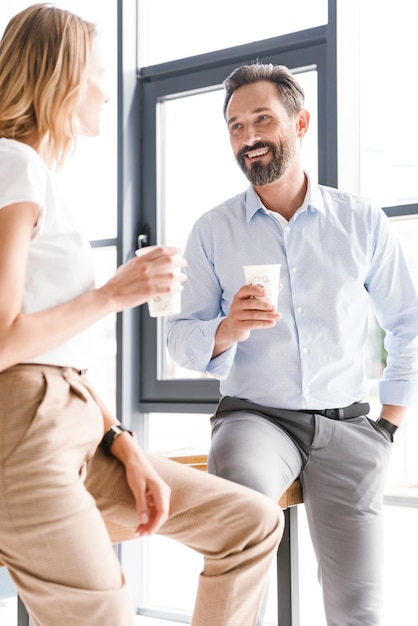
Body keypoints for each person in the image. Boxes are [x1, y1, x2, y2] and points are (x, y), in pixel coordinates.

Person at [0, 8, 284, 626]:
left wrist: (122, 443)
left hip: (75, 422)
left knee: (250, 524)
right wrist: (113, 293)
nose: (107, 88)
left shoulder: (37, 175)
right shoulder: (12, 163)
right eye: (99, 72)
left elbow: (59, 354)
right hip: (25, 434)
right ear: (63, 75)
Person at [167, 62, 418, 626]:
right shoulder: (212, 230)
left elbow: (408, 322)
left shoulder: (360, 221)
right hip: (256, 420)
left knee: (360, 609)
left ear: (300, 123)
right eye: (235, 125)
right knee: (243, 542)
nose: (248, 136)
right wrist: (228, 327)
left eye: (262, 118)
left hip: (351, 427)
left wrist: (391, 424)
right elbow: (179, 338)